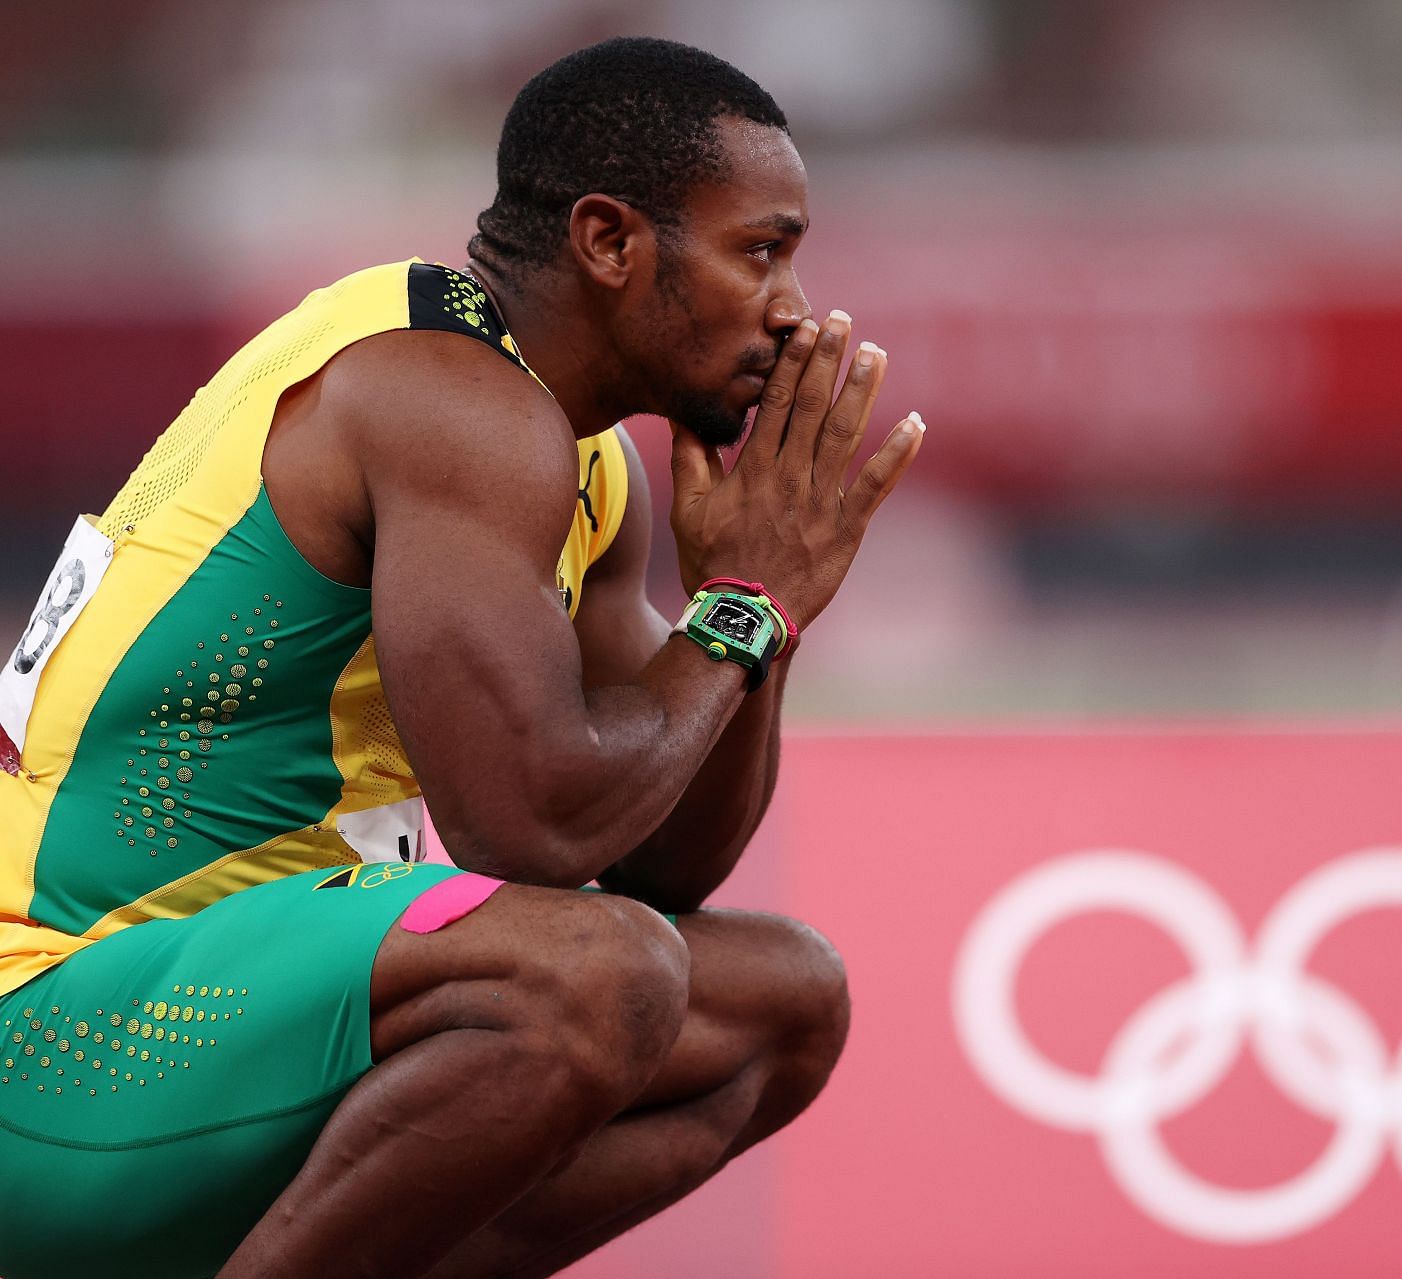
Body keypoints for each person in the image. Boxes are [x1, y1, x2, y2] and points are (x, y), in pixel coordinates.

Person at [0, 36, 923, 1279]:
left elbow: (660, 856)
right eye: (760, 250)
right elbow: (532, 832)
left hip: (216, 1038)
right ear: (610, 243)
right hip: (53, 1041)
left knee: (779, 1004)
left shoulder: (580, 459)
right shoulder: (446, 397)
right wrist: (745, 612)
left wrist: (750, 610)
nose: (792, 308)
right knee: (595, 979)